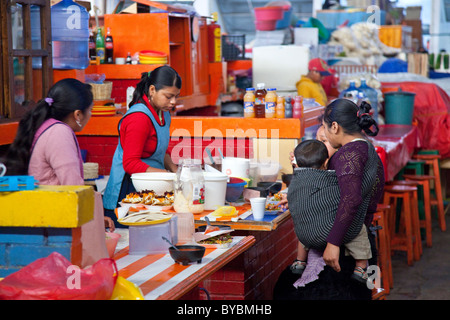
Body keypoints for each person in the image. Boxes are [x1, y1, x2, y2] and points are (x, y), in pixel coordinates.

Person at [274, 99, 385, 300]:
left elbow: (350, 199)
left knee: (287, 290)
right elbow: (335, 195)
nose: (322, 147)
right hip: (364, 248)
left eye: (324, 136)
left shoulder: (347, 156)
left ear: (334, 127)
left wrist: (333, 244)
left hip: (346, 252)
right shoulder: (365, 149)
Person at [2, 78, 113, 266]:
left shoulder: (48, 126)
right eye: (90, 110)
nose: (91, 114)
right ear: (78, 114)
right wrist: (91, 216)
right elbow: (73, 187)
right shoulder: (60, 133)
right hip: (57, 223)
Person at [103, 66, 181, 226]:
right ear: (152, 90)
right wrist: (167, 176)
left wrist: (176, 171)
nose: (173, 102)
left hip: (152, 187)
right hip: (128, 191)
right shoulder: (139, 118)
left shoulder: (163, 113)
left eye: (176, 96)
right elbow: (130, 163)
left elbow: (160, 150)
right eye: (168, 96)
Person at [288, 139, 372, 284]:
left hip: (306, 235)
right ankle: (361, 268)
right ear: (326, 163)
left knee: (306, 219)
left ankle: (300, 261)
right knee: (358, 225)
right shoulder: (331, 178)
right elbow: (347, 196)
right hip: (328, 236)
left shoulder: (294, 182)